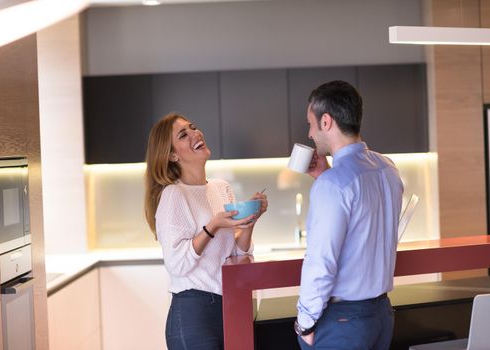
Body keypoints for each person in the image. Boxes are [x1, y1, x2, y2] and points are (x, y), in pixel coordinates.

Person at [294, 81, 404, 349]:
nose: (309, 133)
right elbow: (363, 229)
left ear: (326, 122)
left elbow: (321, 262)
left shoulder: (332, 185)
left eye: (311, 123)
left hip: (344, 323)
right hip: (380, 315)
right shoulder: (387, 168)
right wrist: (325, 174)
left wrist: (305, 323)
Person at [144, 113, 268, 350]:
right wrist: (212, 226)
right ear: (171, 155)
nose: (195, 133)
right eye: (183, 135)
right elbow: (177, 264)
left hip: (229, 306)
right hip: (194, 314)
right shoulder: (173, 195)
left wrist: (250, 222)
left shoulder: (221, 188)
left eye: (193, 127)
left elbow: (237, 254)